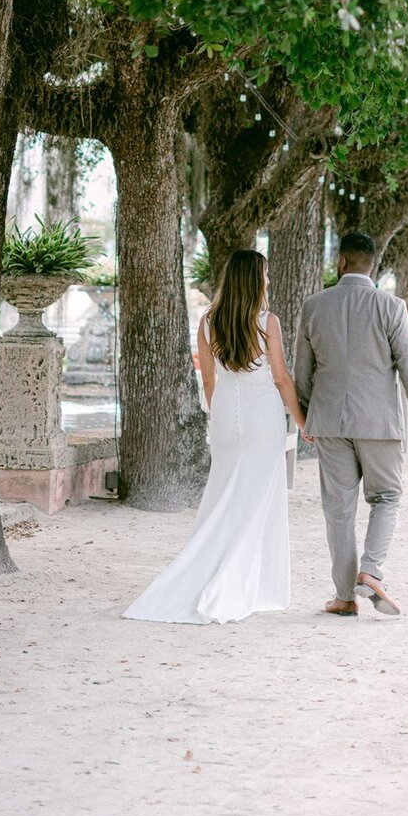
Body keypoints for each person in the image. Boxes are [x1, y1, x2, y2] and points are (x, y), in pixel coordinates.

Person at [123, 249, 306, 625]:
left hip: (225, 416)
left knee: (225, 494)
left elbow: (209, 380)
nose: (269, 280)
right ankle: (244, 585)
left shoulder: (207, 322)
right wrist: (302, 422)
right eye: (266, 275)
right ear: (255, 280)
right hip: (262, 418)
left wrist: (219, 413)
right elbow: (281, 378)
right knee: (257, 500)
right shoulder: (267, 322)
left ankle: (217, 572)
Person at [294, 231, 408, 618]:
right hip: (379, 423)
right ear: (372, 265)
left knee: (338, 509)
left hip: (329, 423)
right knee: (386, 497)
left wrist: (306, 417)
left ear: (341, 262)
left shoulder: (314, 306)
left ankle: (344, 596)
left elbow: (301, 372)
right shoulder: (391, 307)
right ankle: (371, 571)